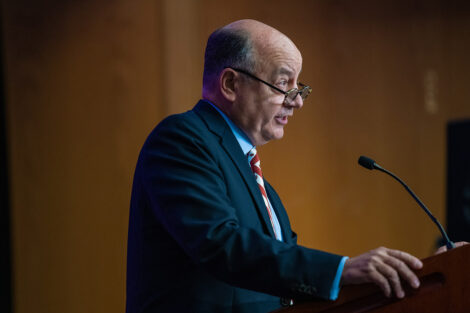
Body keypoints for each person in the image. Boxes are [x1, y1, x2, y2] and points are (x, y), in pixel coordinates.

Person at [126, 19, 452, 313]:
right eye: (284, 84)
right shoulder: (181, 141)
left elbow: (285, 278)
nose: (296, 101)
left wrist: (421, 273)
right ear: (230, 84)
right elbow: (219, 244)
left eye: (300, 89)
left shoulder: (259, 183)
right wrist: (340, 269)